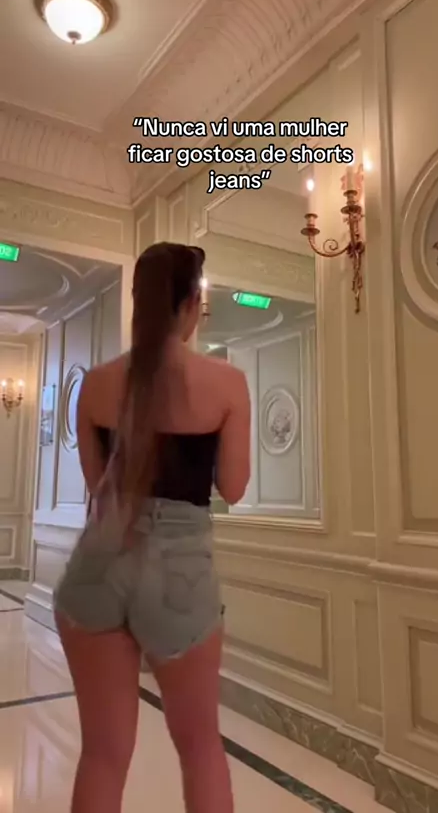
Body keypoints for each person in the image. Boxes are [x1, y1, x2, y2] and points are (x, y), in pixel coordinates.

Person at [54, 243, 251, 813]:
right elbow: (233, 487)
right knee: (200, 748)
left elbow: (98, 487)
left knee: (102, 755)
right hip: (179, 573)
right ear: (189, 305)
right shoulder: (226, 383)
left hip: (98, 564)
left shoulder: (95, 384)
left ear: (140, 303)